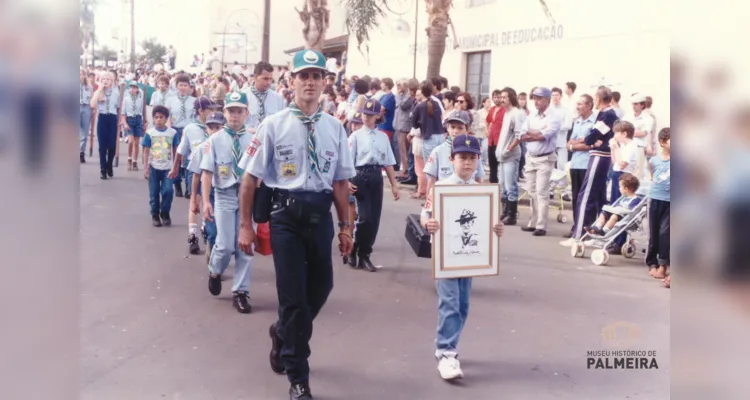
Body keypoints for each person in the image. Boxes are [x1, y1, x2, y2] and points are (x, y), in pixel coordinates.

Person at [236, 49, 356, 400]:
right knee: (292, 297)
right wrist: (246, 226)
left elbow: (340, 184)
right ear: (292, 82)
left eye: (316, 76)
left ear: (324, 83)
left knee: (322, 287)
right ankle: (297, 376)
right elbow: (248, 181)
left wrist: (346, 226)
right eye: (303, 76)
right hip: (285, 217)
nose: (310, 82)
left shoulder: (335, 127)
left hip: (319, 217)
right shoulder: (273, 125)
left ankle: (283, 333)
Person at [420, 134, 504, 380]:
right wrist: (429, 224)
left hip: (469, 257)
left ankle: (447, 343)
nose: (467, 163)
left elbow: (490, 224)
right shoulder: (442, 188)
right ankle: (446, 352)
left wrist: (497, 229)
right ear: (452, 159)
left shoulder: (483, 191)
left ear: (479, 160)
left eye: (472, 158)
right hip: (446, 256)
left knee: (463, 305)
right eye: (462, 158)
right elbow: (424, 214)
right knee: (449, 303)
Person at [200, 92, 255, 314]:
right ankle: (215, 270)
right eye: (231, 111)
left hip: (248, 196)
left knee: (245, 247)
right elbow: (206, 172)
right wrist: (205, 201)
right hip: (224, 195)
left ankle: (240, 291)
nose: (234, 115)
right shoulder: (215, 140)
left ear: (246, 114)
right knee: (225, 245)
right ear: (224, 113)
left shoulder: (253, 140)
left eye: (239, 111)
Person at [346, 99, 400, 271]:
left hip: (376, 175)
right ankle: (354, 247)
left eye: (371, 115)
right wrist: (347, 181)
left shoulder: (383, 137)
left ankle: (365, 254)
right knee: (364, 217)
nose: (367, 118)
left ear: (378, 116)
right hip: (360, 175)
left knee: (374, 219)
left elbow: (389, 162)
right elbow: (348, 162)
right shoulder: (355, 136)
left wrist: (394, 184)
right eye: (364, 114)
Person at [170, 96, 220, 254]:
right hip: (196, 170)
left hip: (215, 171)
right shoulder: (191, 129)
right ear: (201, 111)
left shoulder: (218, 127)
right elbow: (181, 150)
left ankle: (207, 229)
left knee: (210, 202)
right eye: (210, 109)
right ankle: (193, 235)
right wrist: (175, 167)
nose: (214, 112)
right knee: (196, 202)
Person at [570, 87, 620, 240]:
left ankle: (578, 236)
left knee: (585, 196)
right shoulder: (605, 114)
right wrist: (586, 140)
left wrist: (586, 140)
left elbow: (591, 137)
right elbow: (590, 138)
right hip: (599, 155)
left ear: (598, 98)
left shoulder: (608, 115)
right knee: (598, 197)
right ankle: (591, 232)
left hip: (600, 156)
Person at [519, 87, 562, 236]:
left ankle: (541, 225)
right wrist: (536, 133)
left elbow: (544, 136)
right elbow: (522, 135)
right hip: (531, 157)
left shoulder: (554, 117)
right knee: (531, 191)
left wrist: (535, 133)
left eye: (539, 98)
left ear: (547, 100)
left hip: (545, 158)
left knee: (541, 192)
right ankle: (533, 221)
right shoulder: (531, 116)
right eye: (535, 98)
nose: (536, 101)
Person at [187, 111, 224, 263]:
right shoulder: (202, 148)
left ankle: (218, 252)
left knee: (226, 231)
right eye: (211, 128)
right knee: (213, 228)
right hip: (210, 192)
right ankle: (214, 262)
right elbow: (196, 175)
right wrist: (194, 198)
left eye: (217, 127)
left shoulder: (229, 145)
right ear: (206, 129)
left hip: (227, 191)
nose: (214, 131)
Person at [561, 94, 596, 241]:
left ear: (589, 106)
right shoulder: (577, 122)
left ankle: (587, 228)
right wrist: (577, 145)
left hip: (587, 165)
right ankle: (576, 226)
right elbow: (569, 143)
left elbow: (591, 144)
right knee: (576, 197)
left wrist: (576, 145)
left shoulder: (595, 122)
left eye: (580, 104)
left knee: (587, 199)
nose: (577, 107)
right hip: (575, 164)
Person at [424, 110, 485, 187]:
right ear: (447, 128)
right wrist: (430, 197)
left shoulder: (473, 150)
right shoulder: (438, 151)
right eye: (452, 127)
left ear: (467, 130)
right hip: (444, 195)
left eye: (460, 128)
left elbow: (478, 178)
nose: (455, 131)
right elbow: (431, 180)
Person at [493, 87, 527, 226]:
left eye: (504, 97)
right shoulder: (506, 113)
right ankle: (505, 212)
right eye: (501, 97)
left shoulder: (516, 114)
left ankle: (512, 215)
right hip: (502, 155)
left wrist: (508, 149)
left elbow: (519, 135)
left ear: (511, 98)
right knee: (503, 186)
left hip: (510, 155)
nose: (502, 100)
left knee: (510, 185)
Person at [141, 106, 177, 227]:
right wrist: (145, 168)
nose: (158, 120)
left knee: (168, 191)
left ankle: (165, 213)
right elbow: (146, 151)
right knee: (154, 193)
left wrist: (176, 166)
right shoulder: (150, 133)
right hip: (153, 167)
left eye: (161, 117)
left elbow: (176, 150)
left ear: (166, 118)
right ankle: (155, 215)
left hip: (168, 168)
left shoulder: (172, 133)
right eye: (156, 117)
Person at [166, 74, 197, 198]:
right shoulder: (171, 100)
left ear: (189, 87)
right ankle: (177, 184)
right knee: (177, 158)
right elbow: (167, 115)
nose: (183, 87)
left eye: (185, 85)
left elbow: (196, 117)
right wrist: (169, 127)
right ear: (177, 86)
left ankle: (189, 188)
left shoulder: (194, 101)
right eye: (181, 85)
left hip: (189, 131)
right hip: (175, 130)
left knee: (190, 159)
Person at [646, 128, 670, 280]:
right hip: (655, 199)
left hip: (671, 201)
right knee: (654, 232)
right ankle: (652, 263)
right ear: (662, 143)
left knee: (665, 232)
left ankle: (663, 265)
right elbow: (652, 175)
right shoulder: (654, 160)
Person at [90, 71, 121, 180]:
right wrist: (99, 90)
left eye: (108, 79)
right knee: (102, 146)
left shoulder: (117, 92)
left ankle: (109, 165)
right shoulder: (98, 92)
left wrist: (120, 120)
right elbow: (92, 105)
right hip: (102, 118)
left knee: (112, 146)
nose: (106, 81)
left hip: (112, 119)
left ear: (112, 81)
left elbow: (119, 108)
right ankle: (103, 169)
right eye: (104, 79)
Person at [243, 61, 287, 132]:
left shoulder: (278, 99)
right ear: (255, 77)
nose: (269, 82)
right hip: (248, 140)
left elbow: (282, 124)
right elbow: (237, 126)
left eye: (270, 79)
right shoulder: (243, 96)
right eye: (265, 79)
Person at [609, 120, 638, 202]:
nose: (614, 136)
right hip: (617, 174)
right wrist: (613, 149)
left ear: (624, 134)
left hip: (624, 176)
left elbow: (622, 164)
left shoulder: (631, 146)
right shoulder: (623, 145)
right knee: (614, 200)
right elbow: (615, 163)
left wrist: (616, 148)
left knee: (620, 200)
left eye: (616, 133)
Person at [120, 81, 147, 171]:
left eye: (134, 87)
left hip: (138, 120)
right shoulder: (126, 99)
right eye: (131, 87)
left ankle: (135, 161)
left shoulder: (141, 100)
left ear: (137, 89)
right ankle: (129, 159)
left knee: (136, 143)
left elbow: (144, 112)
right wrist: (125, 123)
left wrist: (145, 123)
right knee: (130, 141)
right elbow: (123, 113)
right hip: (130, 120)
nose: (132, 89)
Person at [80, 69, 94, 163]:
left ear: (84, 75)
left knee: (84, 133)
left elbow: (92, 100)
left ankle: (81, 152)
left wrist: (93, 110)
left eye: (80, 74)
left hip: (86, 108)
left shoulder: (89, 87)